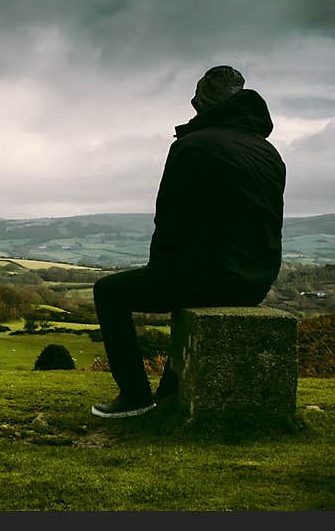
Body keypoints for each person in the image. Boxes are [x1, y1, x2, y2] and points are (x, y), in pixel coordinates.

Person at [91, 65, 286, 418]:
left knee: (109, 292)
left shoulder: (194, 145)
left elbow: (171, 221)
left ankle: (135, 396)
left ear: (202, 103)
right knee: (184, 282)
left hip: (209, 277)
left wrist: (160, 270)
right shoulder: (268, 153)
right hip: (256, 281)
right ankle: (170, 391)